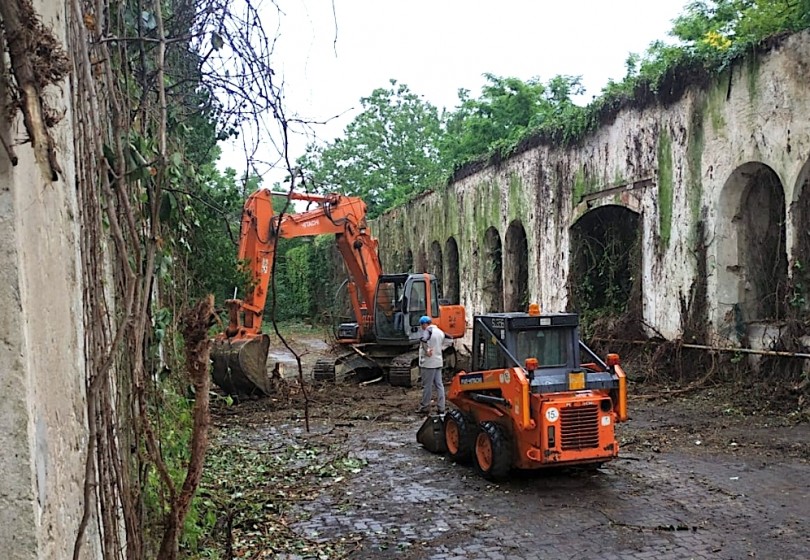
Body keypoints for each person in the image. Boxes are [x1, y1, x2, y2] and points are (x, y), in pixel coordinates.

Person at [417, 315, 446, 415]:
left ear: (424, 324)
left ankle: (425, 406)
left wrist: (426, 350)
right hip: (438, 361)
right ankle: (441, 407)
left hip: (429, 363)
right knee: (439, 385)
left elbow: (423, 340)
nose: (422, 327)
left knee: (427, 386)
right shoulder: (440, 332)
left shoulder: (428, 331)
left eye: (421, 325)